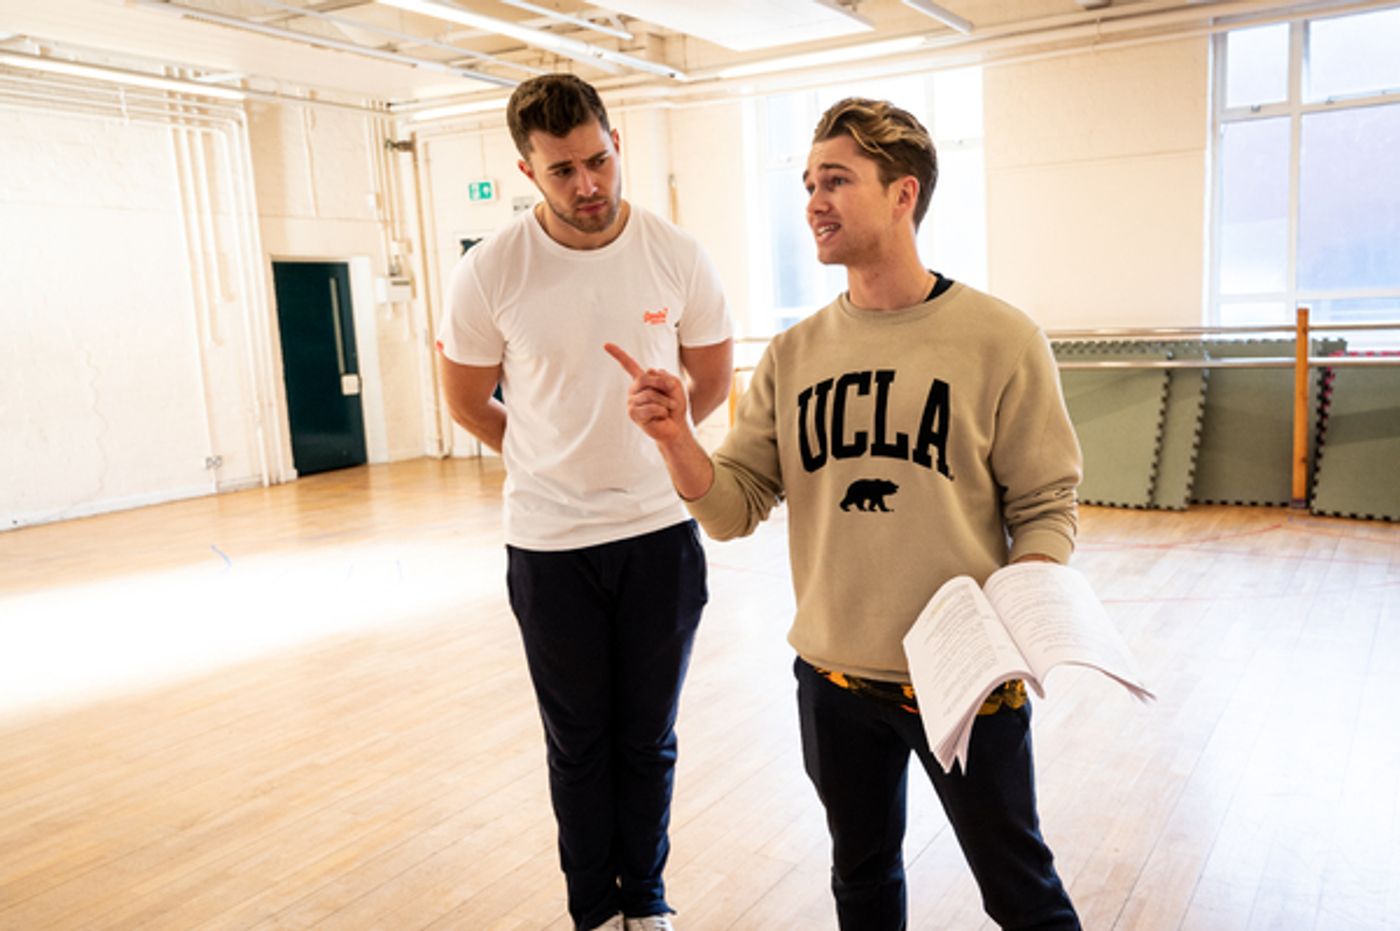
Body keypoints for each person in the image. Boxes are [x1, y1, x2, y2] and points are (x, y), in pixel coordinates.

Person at [606, 97, 1083, 930]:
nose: (814, 202)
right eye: (807, 184)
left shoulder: (1000, 338)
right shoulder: (794, 355)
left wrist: (1028, 595)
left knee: (1023, 894)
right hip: (832, 680)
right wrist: (678, 438)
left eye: (837, 180)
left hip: (965, 683)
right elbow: (731, 508)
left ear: (904, 194)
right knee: (861, 883)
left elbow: (1046, 503)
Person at [437, 73, 733, 931]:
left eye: (598, 160)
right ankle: (592, 912)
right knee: (580, 745)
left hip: (658, 533)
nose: (588, 185)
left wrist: (667, 429)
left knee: (648, 738)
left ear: (616, 143)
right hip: (547, 544)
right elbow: (465, 400)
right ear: (528, 171)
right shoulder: (490, 270)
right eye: (562, 170)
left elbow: (710, 376)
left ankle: (645, 899)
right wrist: (541, 453)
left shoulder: (676, 252)